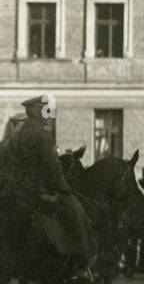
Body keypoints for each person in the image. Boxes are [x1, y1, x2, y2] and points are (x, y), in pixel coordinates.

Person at [8, 96, 96, 273]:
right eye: (45, 110)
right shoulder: (42, 134)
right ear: (34, 111)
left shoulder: (16, 134)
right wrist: (64, 188)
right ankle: (79, 262)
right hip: (38, 191)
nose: (48, 114)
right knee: (76, 211)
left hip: (17, 190)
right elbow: (52, 168)